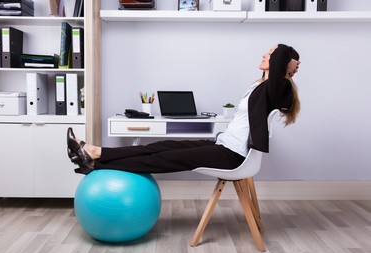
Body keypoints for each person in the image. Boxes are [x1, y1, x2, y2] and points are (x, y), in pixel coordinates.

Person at [67, 44, 301, 175]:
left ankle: (95, 166)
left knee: (163, 158)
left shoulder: (278, 91)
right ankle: (95, 151)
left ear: (281, 63)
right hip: (222, 145)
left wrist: (287, 58)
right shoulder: (259, 86)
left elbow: (282, 59)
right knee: (158, 146)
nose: (264, 54)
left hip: (233, 156)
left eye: (270, 53)